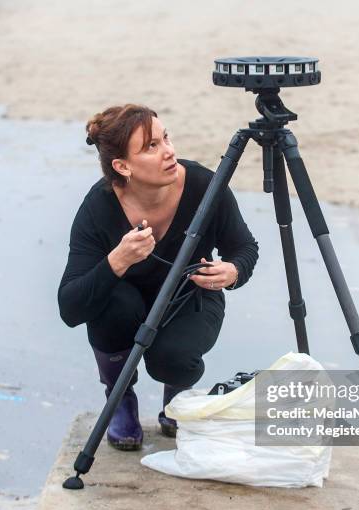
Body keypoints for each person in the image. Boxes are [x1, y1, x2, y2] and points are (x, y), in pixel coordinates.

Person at [58, 104, 258, 448]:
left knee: (173, 358)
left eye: (165, 138)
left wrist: (233, 271)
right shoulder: (99, 207)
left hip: (189, 295)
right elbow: (70, 308)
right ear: (122, 166)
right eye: (151, 146)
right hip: (124, 306)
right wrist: (117, 260)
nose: (169, 151)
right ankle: (119, 396)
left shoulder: (205, 186)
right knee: (112, 301)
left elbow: (243, 247)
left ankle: (175, 402)